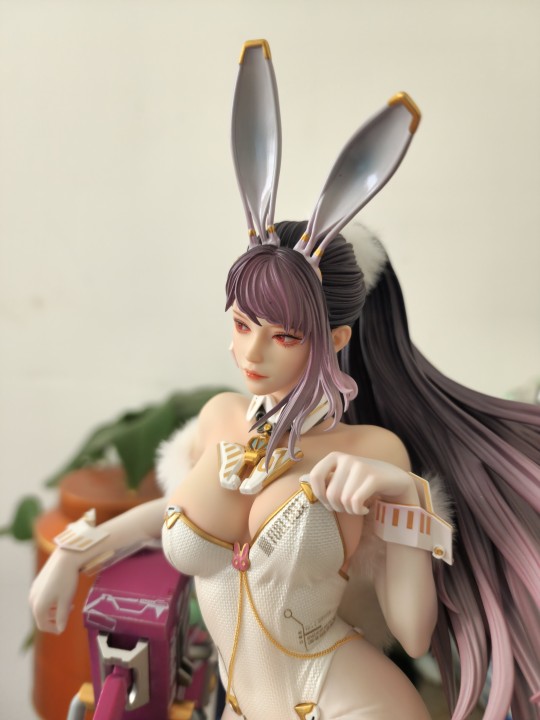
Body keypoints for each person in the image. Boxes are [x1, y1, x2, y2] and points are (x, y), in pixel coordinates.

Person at [30, 41, 539, 720]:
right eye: (242, 323)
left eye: (284, 335)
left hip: (347, 704)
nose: (252, 352)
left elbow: (414, 634)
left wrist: (407, 494)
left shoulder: (371, 454)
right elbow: (175, 513)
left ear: (334, 342)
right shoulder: (220, 419)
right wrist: (75, 552)